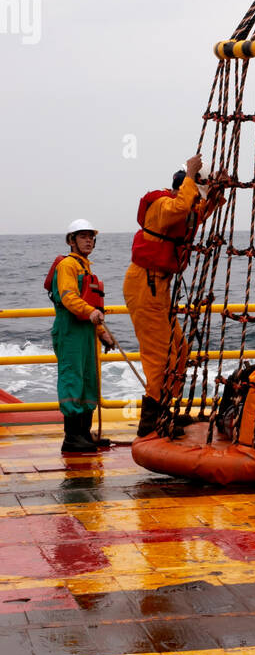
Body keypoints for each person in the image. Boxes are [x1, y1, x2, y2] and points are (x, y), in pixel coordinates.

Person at [123, 155, 222, 435]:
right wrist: (191, 173)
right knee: (160, 356)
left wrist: (218, 190)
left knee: (179, 350)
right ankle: (151, 421)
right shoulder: (163, 205)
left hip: (159, 287)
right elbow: (181, 207)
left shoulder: (184, 208)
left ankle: (165, 409)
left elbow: (198, 212)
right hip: (145, 284)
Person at [47, 220, 114, 454]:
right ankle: (72, 437)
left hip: (86, 332)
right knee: (72, 379)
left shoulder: (85, 268)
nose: (88, 241)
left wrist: (102, 333)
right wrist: (90, 311)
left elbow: (90, 304)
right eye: (83, 236)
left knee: (88, 380)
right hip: (70, 331)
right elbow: (68, 297)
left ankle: (84, 432)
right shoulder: (68, 265)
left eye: (91, 237)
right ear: (71, 240)